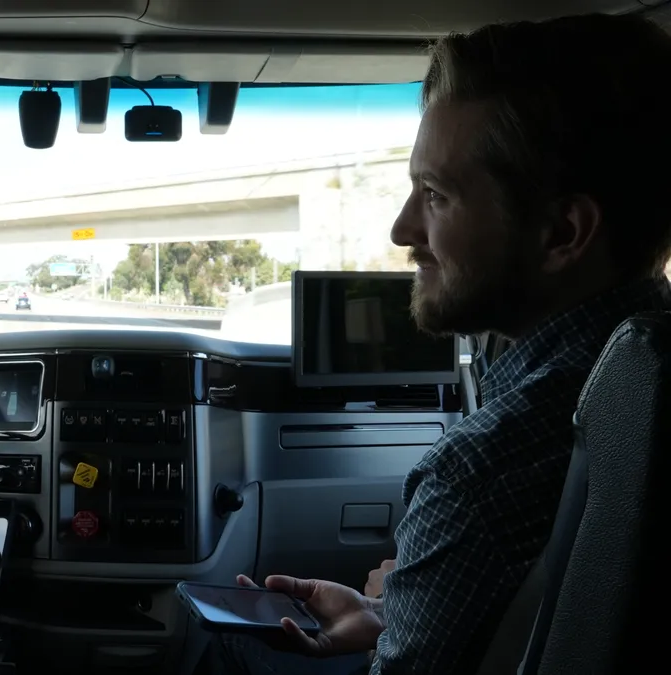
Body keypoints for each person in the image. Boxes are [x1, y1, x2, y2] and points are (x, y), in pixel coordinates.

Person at [207, 11, 671, 675]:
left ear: (562, 232)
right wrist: (392, 613)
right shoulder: (642, 378)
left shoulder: (479, 474)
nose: (402, 229)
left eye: (436, 195)